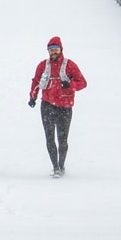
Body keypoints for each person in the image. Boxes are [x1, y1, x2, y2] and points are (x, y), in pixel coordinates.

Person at [28, 36, 87, 178]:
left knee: (63, 139)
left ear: (61, 49)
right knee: (49, 138)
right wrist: (32, 97)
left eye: (55, 49)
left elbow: (83, 83)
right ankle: (55, 167)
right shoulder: (43, 65)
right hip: (47, 105)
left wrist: (70, 85)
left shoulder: (70, 65)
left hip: (65, 106)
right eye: (50, 50)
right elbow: (36, 81)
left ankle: (62, 164)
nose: (53, 52)